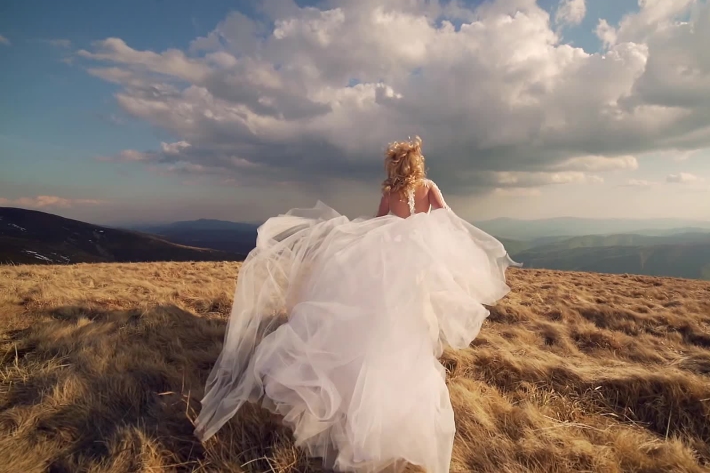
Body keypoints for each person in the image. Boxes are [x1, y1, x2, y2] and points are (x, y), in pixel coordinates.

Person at [193, 136, 519, 473]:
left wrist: (361, 235)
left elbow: (378, 221)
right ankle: (387, 395)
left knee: (377, 316)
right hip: (417, 265)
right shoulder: (428, 187)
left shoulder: (390, 191)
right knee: (408, 322)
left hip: (388, 262)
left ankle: (356, 382)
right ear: (417, 163)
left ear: (395, 164)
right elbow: (448, 217)